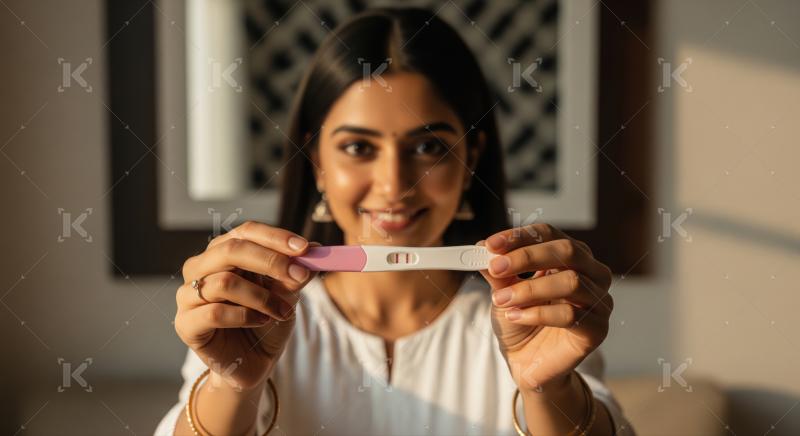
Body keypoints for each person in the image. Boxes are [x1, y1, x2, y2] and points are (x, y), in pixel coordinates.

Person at [156, 7, 634, 435]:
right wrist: (233, 384)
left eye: (429, 148)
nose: (394, 184)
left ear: (471, 160)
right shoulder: (249, 319)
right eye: (358, 148)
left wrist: (547, 390)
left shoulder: (530, 320)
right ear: (317, 161)